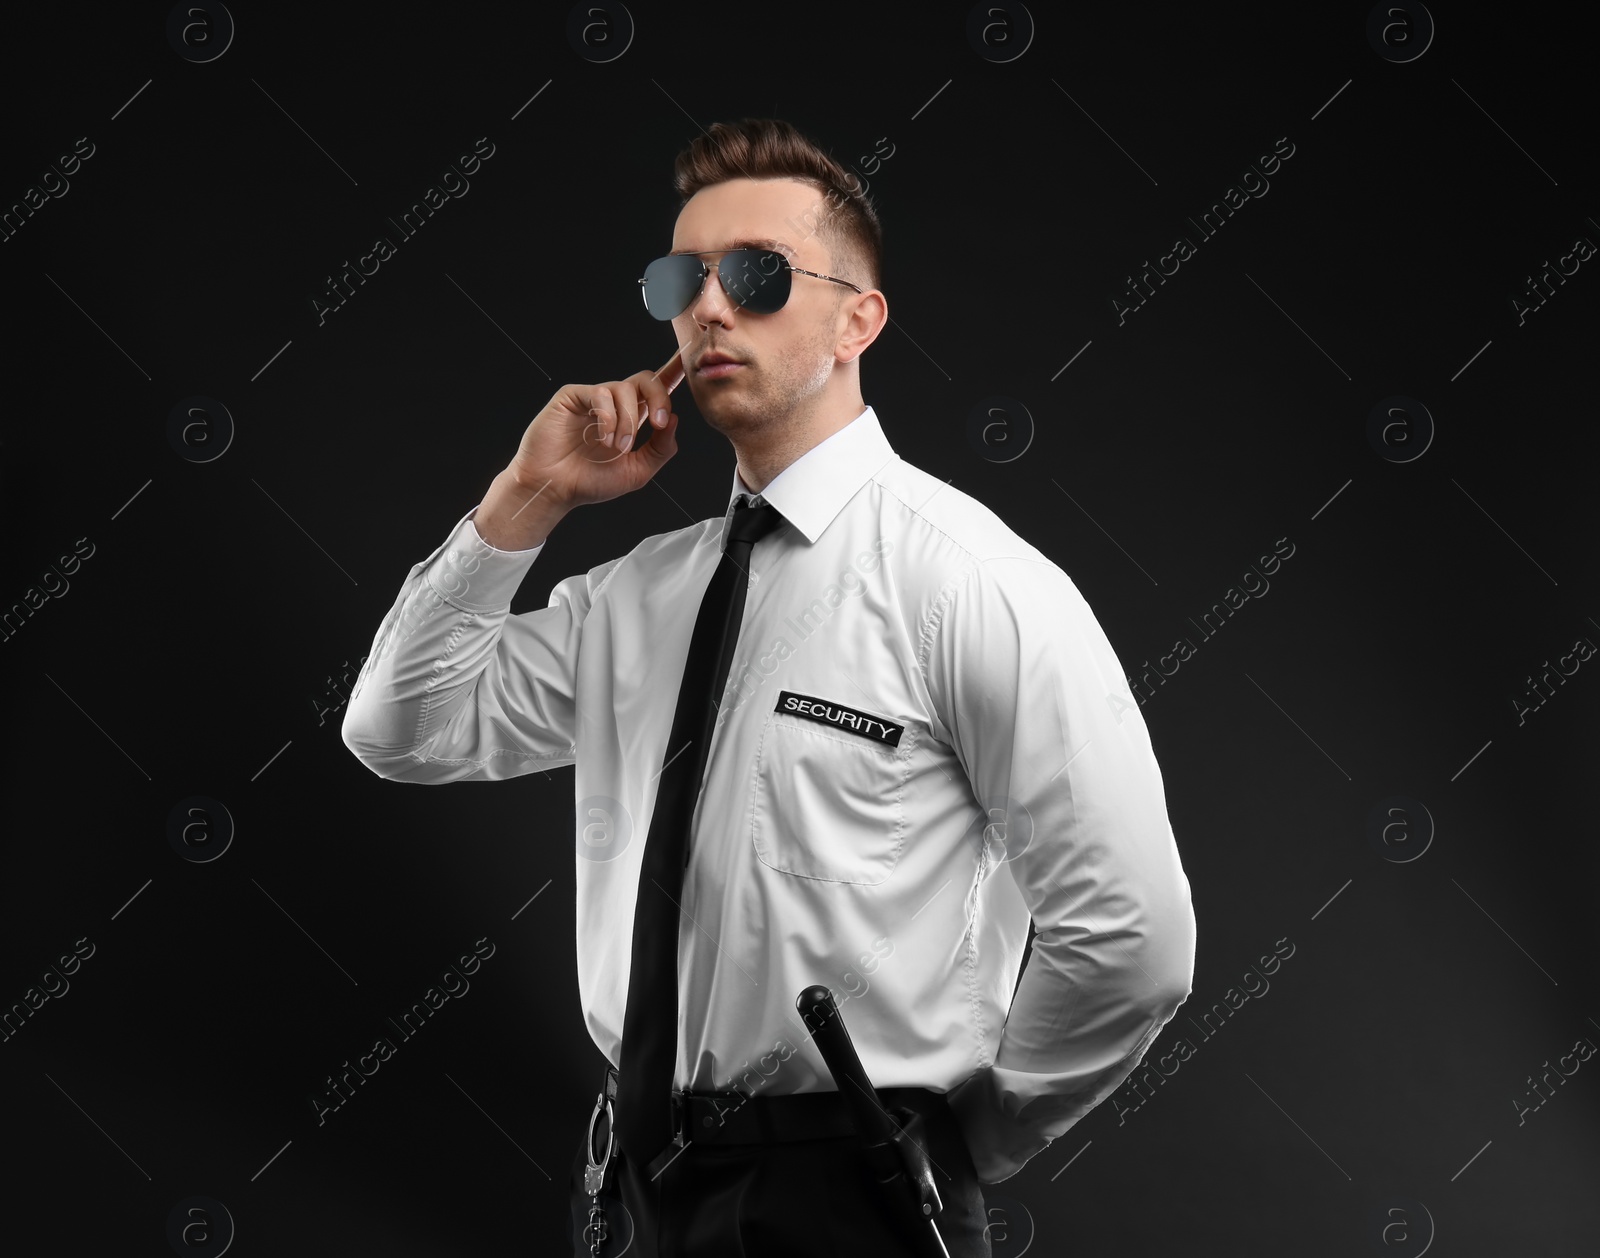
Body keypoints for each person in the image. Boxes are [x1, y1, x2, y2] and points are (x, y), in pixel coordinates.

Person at [342, 117, 1196, 1257]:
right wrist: (525, 500)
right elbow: (401, 727)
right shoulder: (637, 600)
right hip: (630, 1191)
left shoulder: (967, 582)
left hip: (853, 1190)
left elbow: (1131, 934)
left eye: (753, 275)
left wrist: (964, 1143)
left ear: (859, 318)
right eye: (678, 279)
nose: (708, 308)